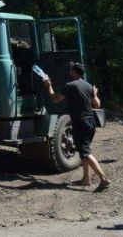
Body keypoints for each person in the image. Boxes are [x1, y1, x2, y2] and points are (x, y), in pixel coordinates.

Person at [42, 61, 110, 191]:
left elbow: (56, 99)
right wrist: (94, 94)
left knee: (85, 152)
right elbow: (97, 105)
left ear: (74, 72)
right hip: (91, 123)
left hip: (80, 123)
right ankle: (86, 179)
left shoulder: (69, 86)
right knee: (84, 151)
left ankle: (104, 179)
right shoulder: (88, 86)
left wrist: (48, 86)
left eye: (71, 69)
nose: (69, 70)